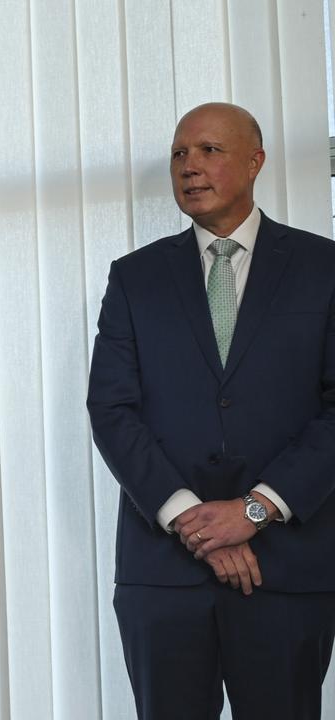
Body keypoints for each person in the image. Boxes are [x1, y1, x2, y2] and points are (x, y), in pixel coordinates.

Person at [87, 102, 335, 719]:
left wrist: (255, 509)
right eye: (178, 154)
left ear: (255, 162)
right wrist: (194, 521)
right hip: (163, 574)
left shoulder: (325, 269)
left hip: (287, 573)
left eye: (208, 151)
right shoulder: (135, 278)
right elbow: (111, 409)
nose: (189, 167)